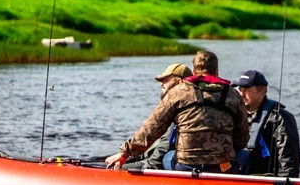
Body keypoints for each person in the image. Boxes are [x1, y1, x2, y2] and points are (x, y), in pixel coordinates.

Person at [106, 50, 250, 173]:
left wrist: (125, 153)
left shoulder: (177, 93)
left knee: (168, 156)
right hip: (221, 167)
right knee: (243, 155)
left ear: (193, 71)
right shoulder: (234, 95)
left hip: (185, 166)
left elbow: (152, 127)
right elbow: (242, 138)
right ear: (216, 71)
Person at [233, 69, 300, 177]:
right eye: (240, 89)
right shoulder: (234, 115)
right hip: (242, 179)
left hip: (266, 181)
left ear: (262, 91)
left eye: (246, 90)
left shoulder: (280, 118)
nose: (241, 94)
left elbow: (288, 161)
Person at [123, 62, 191, 170]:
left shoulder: (178, 112)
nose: (161, 84)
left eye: (165, 79)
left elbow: (158, 158)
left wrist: (120, 167)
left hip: (162, 164)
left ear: (179, 82)